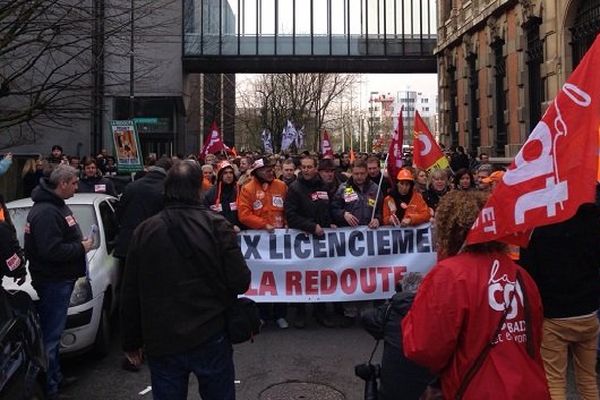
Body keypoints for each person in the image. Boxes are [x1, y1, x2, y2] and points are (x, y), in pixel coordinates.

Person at [120, 161, 251, 400]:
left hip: (162, 337)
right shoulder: (218, 226)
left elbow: (130, 290)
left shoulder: (145, 230)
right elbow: (241, 281)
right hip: (210, 333)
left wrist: (131, 341)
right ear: (198, 189)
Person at [402, 190, 550, 400]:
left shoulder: (449, 275)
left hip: (479, 389)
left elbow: (423, 346)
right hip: (529, 387)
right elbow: (534, 336)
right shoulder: (521, 275)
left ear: (448, 230)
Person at [24, 164, 94, 399]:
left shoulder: (56, 206)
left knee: (54, 334)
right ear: (62, 183)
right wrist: (80, 247)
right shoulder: (45, 212)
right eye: (74, 183)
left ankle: (56, 377)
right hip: (53, 281)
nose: (77, 186)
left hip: (60, 279)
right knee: (51, 337)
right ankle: (50, 387)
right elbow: (51, 251)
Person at [519, 202, 600, 400]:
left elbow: (528, 273)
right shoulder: (592, 223)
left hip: (554, 315)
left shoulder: (539, 228)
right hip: (588, 312)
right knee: (588, 379)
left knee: (554, 380)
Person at [361, 272, 433, 400]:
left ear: (400, 290)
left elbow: (367, 317)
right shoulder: (436, 311)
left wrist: (392, 301)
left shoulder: (391, 311)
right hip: (428, 391)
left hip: (391, 392)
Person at [285, 155, 335, 329]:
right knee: (302, 275)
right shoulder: (294, 188)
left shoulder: (324, 187)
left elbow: (327, 208)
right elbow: (290, 215)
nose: (306, 170)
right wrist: (311, 227)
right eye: (303, 167)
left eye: (309, 167)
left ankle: (320, 311)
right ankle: (300, 311)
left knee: (320, 274)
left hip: (321, 239)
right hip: (302, 239)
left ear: (315, 169)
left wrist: (330, 223)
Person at [237, 157, 288, 328]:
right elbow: (243, 214)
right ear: (257, 171)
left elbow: (289, 208)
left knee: (281, 276)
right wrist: (262, 225)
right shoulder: (247, 189)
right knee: (262, 277)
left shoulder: (281, 186)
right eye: (267, 169)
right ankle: (263, 315)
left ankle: (281, 314)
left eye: (272, 168)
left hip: (281, 239)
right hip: (259, 243)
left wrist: (288, 223)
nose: (270, 171)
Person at [203, 160, 243, 232]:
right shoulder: (210, 194)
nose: (229, 175)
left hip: (239, 232)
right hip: (218, 233)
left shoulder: (239, 191)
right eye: (225, 173)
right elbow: (207, 216)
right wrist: (229, 226)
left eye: (231, 172)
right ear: (220, 175)